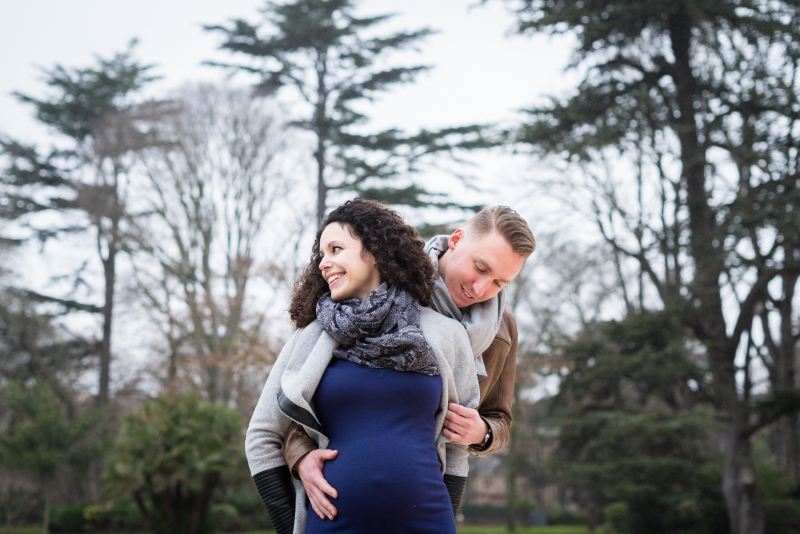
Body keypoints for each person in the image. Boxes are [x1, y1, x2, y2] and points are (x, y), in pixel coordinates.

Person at [283, 206, 536, 522]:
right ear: (456, 240)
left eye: (500, 282)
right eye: (480, 267)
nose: (481, 289)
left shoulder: (503, 329)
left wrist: (482, 433)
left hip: (430, 498)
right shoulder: (385, 289)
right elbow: (303, 390)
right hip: (342, 503)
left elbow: (500, 418)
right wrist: (300, 455)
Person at [245, 199, 481, 534]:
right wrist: (291, 525)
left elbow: (458, 444)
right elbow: (262, 435)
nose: (324, 263)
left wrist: (447, 514)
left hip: (428, 523)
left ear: (375, 250)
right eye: (321, 255)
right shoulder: (310, 338)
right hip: (332, 527)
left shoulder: (444, 334)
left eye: (336, 249)